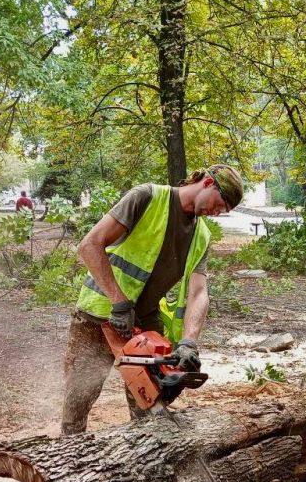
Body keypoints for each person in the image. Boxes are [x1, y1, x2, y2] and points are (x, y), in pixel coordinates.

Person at [61, 164, 243, 435]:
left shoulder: (201, 236)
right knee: (79, 399)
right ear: (208, 182)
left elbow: (198, 292)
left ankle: (148, 453)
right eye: (219, 204)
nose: (217, 212)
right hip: (98, 313)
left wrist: (189, 342)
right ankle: (69, 451)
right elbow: (90, 244)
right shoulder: (147, 197)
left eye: (224, 211)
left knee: (151, 402)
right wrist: (119, 302)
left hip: (144, 321)